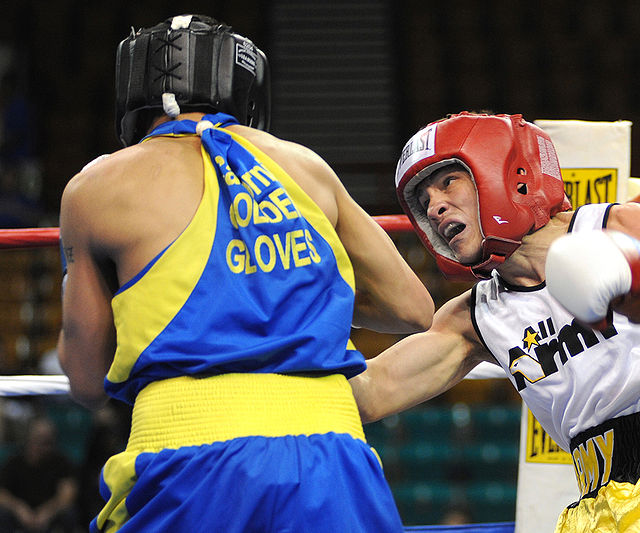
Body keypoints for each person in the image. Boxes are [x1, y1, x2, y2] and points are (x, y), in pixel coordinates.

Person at [56, 14, 433, 532]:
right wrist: (281, 295)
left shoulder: (93, 189)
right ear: (245, 86)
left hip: (186, 458)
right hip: (332, 457)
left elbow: (85, 379)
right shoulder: (306, 166)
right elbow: (413, 309)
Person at [349, 112, 640, 532]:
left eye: (447, 183)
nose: (435, 208)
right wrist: (303, 313)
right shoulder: (475, 316)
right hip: (592, 505)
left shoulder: (618, 227)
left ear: (505, 172)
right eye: (423, 202)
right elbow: (371, 393)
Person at [0, 416, 79, 533]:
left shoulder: (61, 462)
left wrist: (48, 512)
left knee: (70, 514)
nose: (44, 447)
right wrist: (19, 508)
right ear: (29, 439)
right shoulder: (14, 461)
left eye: (48, 442)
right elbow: (2, 493)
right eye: (40, 440)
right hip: (21, 513)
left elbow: (68, 494)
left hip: (50, 513)